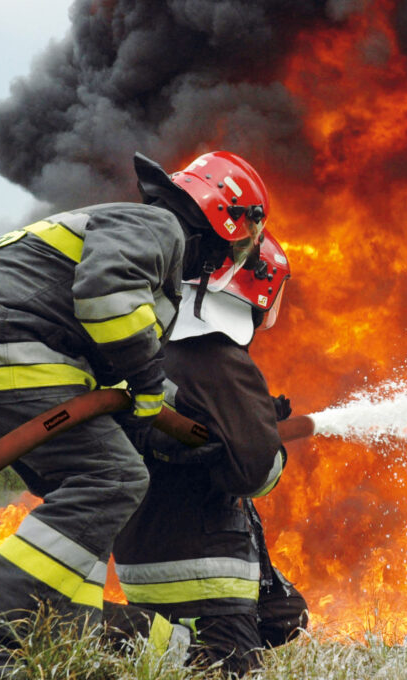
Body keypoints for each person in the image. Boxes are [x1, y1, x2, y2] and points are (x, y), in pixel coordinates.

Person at [0, 150, 272, 678]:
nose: (230, 258)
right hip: (2, 336)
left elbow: (112, 367)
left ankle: (54, 634)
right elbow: (106, 300)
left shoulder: (138, 234)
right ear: (225, 217)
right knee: (113, 479)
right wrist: (149, 386)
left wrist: (171, 424)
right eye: (240, 244)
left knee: (84, 500)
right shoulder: (160, 228)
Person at [106, 231, 308, 675]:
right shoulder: (218, 356)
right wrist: (268, 441)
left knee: (286, 615)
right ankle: (101, 632)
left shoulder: (153, 348)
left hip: (144, 553)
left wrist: (253, 418)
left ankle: (167, 642)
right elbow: (255, 473)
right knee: (228, 667)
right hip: (201, 566)